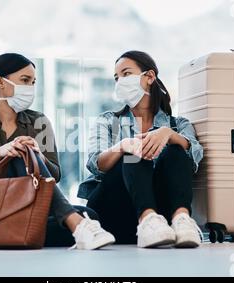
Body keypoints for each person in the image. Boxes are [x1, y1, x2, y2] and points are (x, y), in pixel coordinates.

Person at [0, 53, 115, 250]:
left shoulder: (39, 122)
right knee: (18, 154)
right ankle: (73, 223)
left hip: (31, 206)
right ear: (0, 82)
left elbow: (56, 174)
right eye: (25, 80)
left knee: (90, 214)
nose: (30, 87)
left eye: (33, 82)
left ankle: (12, 233)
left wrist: (39, 156)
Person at [80, 51, 204, 248]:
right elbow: (95, 164)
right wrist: (123, 146)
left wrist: (169, 135)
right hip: (115, 209)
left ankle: (182, 222)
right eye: (116, 77)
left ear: (149, 77)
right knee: (133, 152)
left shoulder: (178, 124)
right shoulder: (108, 120)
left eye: (126, 74)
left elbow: (195, 157)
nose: (120, 81)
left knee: (176, 150)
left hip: (163, 217)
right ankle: (147, 219)